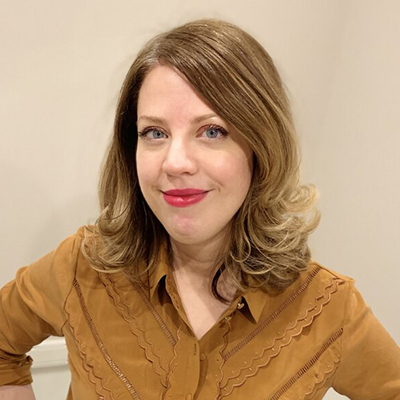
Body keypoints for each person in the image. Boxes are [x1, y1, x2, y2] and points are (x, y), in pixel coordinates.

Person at [0, 18, 399, 400]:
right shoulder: (83, 266)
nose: (175, 163)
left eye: (212, 131)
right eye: (154, 133)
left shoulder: (328, 310)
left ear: (262, 147)